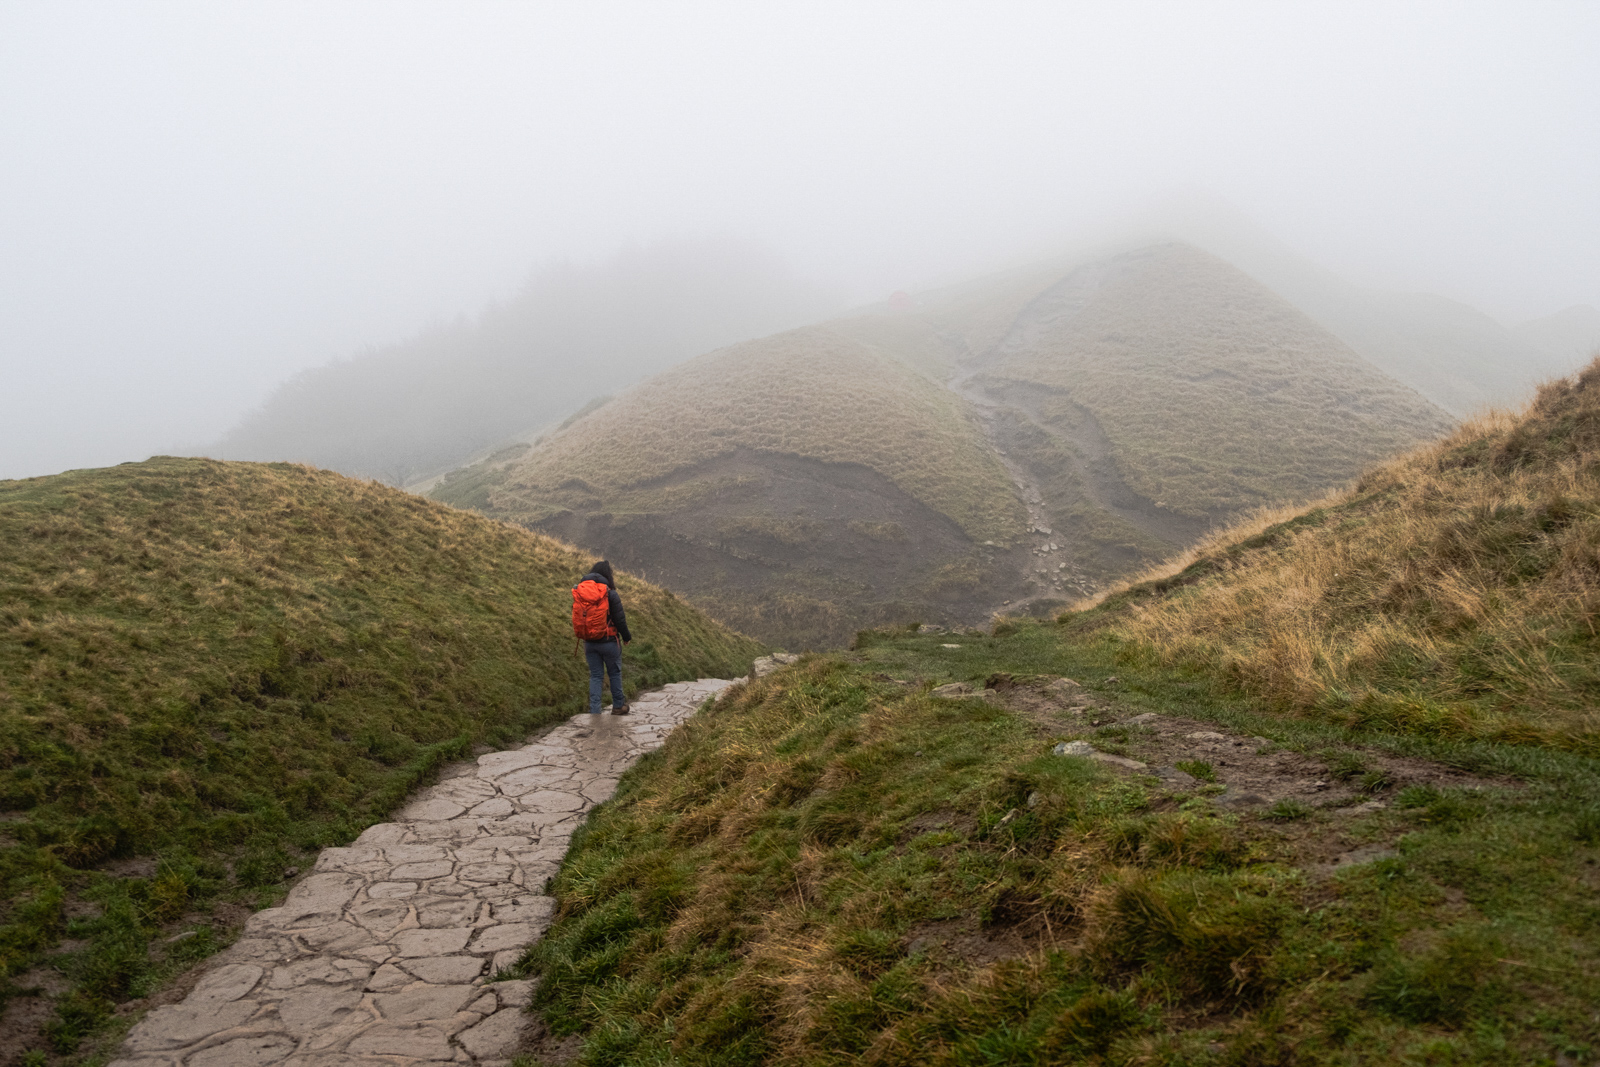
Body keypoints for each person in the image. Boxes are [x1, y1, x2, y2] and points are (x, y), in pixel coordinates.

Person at [572, 560, 632, 714]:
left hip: (589, 642)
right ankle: (618, 706)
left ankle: (595, 710)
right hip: (609, 641)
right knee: (614, 673)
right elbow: (620, 619)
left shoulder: (581, 592)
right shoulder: (610, 594)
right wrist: (626, 637)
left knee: (596, 676)